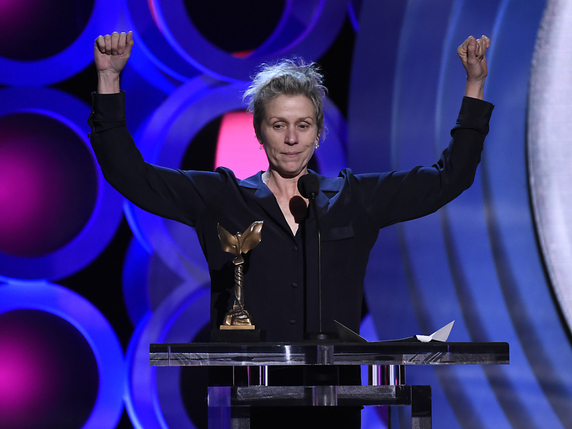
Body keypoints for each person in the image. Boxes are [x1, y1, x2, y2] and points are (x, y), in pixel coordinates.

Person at [90, 31, 493, 428]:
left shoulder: (353, 198)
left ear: (318, 133)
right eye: (278, 125)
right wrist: (109, 80)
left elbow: (448, 178)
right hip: (250, 400)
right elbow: (131, 176)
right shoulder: (222, 197)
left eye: (302, 125)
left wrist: (474, 85)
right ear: (259, 131)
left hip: (333, 400)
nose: (291, 139)